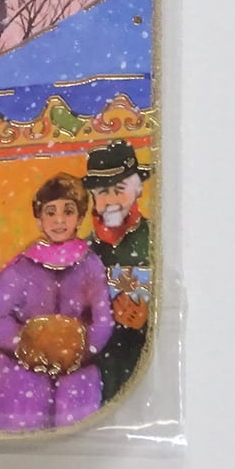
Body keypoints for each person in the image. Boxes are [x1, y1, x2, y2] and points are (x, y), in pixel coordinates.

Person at [0, 173, 114, 431]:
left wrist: (79, 351)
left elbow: (103, 319)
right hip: (20, 375)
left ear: (80, 217)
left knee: (76, 433)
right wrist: (28, 345)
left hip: (76, 372)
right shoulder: (22, 267)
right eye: (50, 212)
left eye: (68, 212)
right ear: (39, 219)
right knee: (22, 430)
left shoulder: (91, 265)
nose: (59, 220)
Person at [83, 141, 153, 403]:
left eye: (119, 189)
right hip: (97, 365)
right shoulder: (85, 252)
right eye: (103, 192)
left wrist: (147, 318)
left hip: (144, 362)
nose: (111, 200)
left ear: (137, 190)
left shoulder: (153, 239)